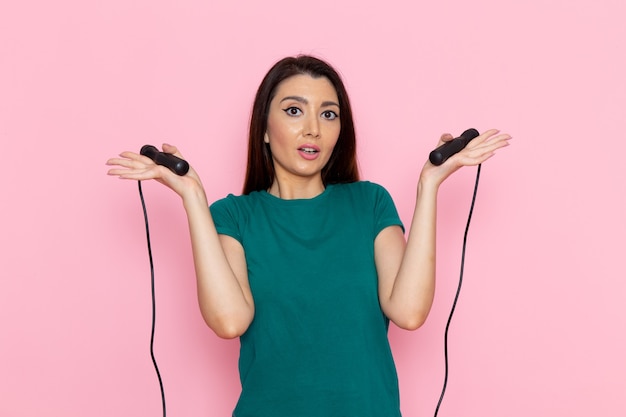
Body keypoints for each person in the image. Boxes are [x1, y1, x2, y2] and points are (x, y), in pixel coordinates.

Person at [106, 55, 511, 417]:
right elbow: (229, 320)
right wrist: (193, 196)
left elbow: (408, 312)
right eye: (295, 111)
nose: (313, 129)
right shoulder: (233, 216)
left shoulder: (369, 203)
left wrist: (430, 185)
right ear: (264, 129)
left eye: (329, 114)